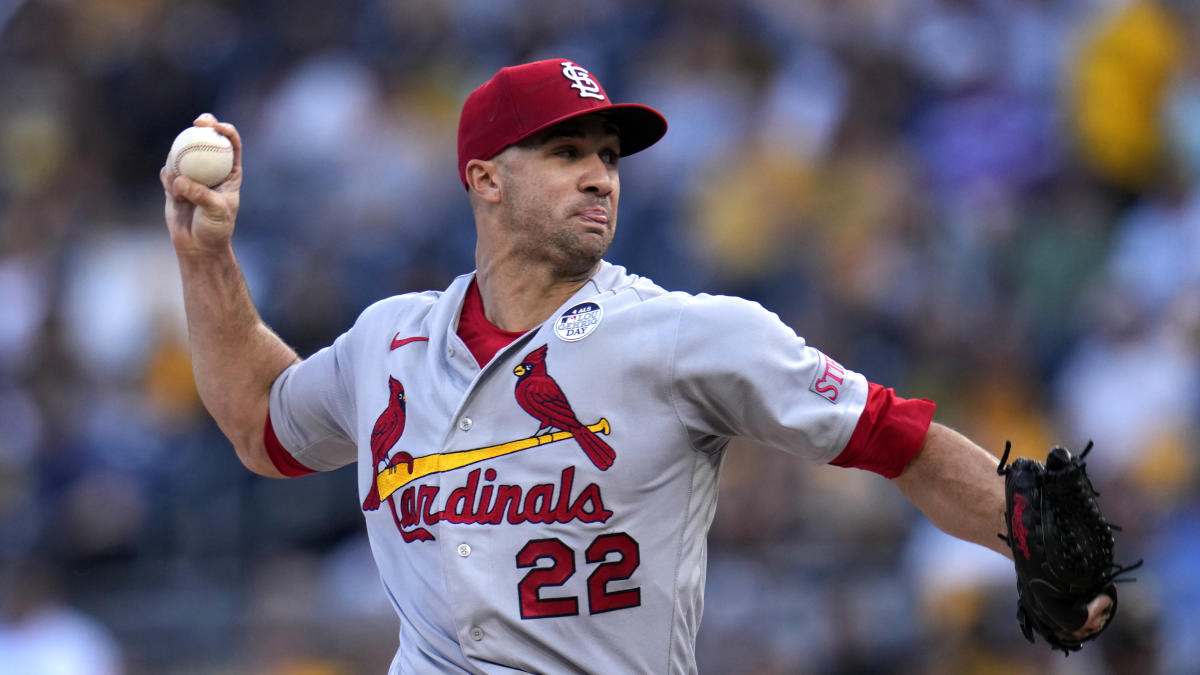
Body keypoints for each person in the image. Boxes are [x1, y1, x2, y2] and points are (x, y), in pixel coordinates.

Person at [160, 59, 1113, 673]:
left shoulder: (686, 333)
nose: (600, 175)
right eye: (567, 150)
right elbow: (263, 424)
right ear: (484, 179)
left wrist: (1027, 537)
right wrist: (207, 257)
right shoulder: (388, 341)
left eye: (609, 156)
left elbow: (891, 436)